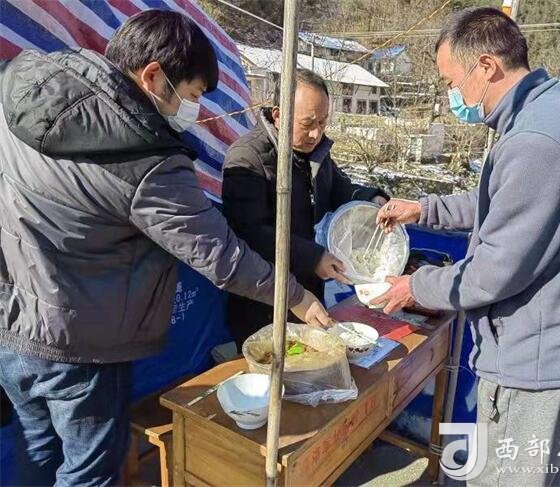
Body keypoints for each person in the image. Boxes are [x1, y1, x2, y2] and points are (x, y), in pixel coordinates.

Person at [0, 10, 329, 486]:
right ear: (153, 75)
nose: (192, 110)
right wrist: (296, 296)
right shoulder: (143, 155)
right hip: (80, 341)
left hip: (12, 320)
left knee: (36, 450)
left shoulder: (22, 86)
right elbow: (220, 254)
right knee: (90, 470)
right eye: (192, 95)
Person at [374, 7, 560, 486]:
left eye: (452, 82)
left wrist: (414, 287)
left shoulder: (536, 139)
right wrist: (423, 209)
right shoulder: (543, 112)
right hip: (545, 339)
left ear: (486, 66)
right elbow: (499, 202)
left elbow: (494, 270)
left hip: (538, 354)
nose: (452, 96)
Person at [222, 69, 388, 349]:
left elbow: (340, 189)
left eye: (323, 123)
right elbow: (250, 233)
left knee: (314, 362)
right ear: (278, 115)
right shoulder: (247, 158)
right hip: (264, 299)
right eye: (307, 123)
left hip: (310, 290)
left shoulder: (317, 152)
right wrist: (313, 257)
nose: (316, 133)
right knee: (273, 363)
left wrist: (371, 200)